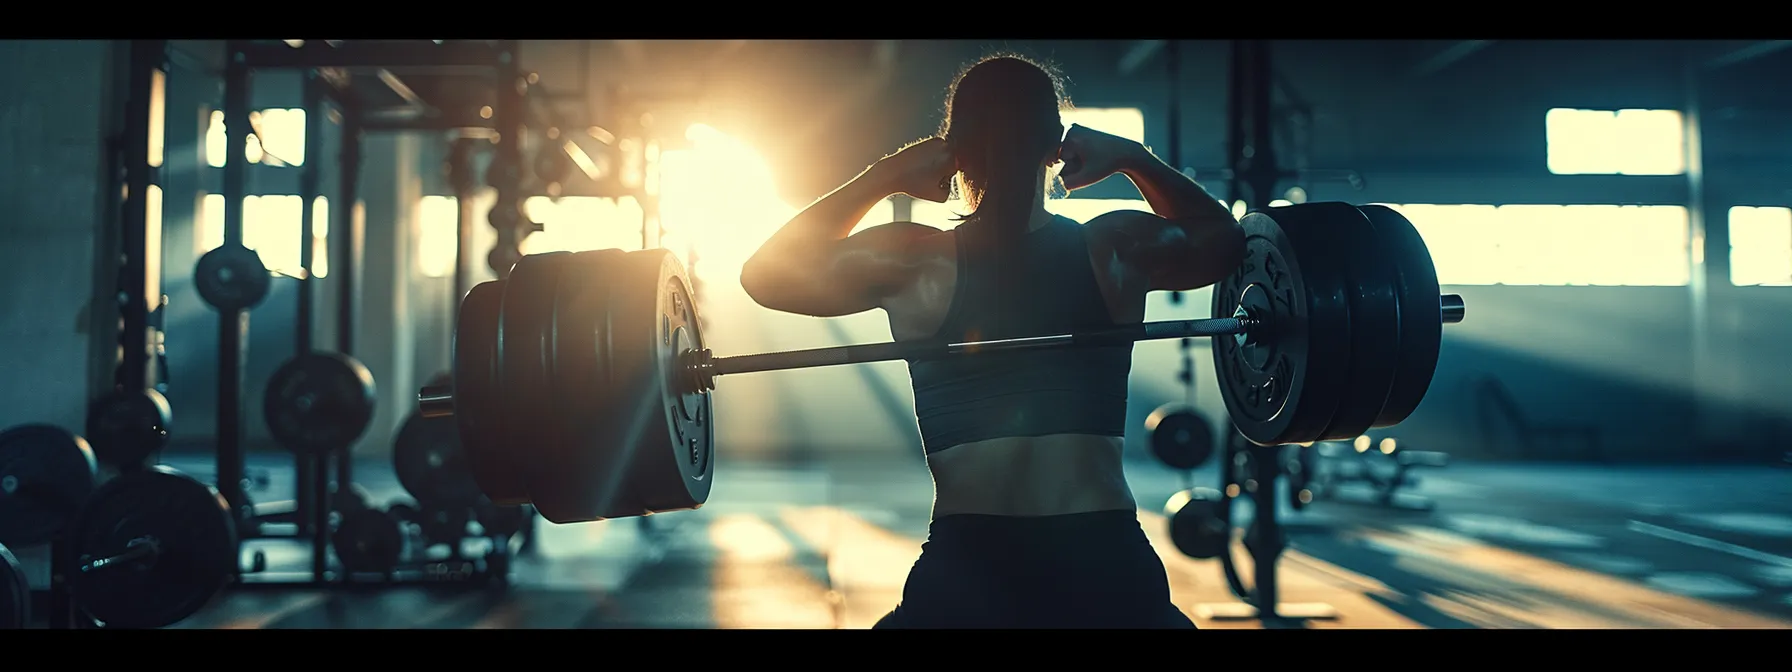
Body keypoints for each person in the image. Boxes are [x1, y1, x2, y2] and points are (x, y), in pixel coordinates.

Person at [740, 53, 1245, 628]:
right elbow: (1225, 242)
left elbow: (767, 273)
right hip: (1103, 562)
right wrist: (1132, 158)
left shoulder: (913, 262)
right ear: (1055, 145)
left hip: (970, 568)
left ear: (955, 151)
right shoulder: (1115, 248)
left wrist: (887, 175)